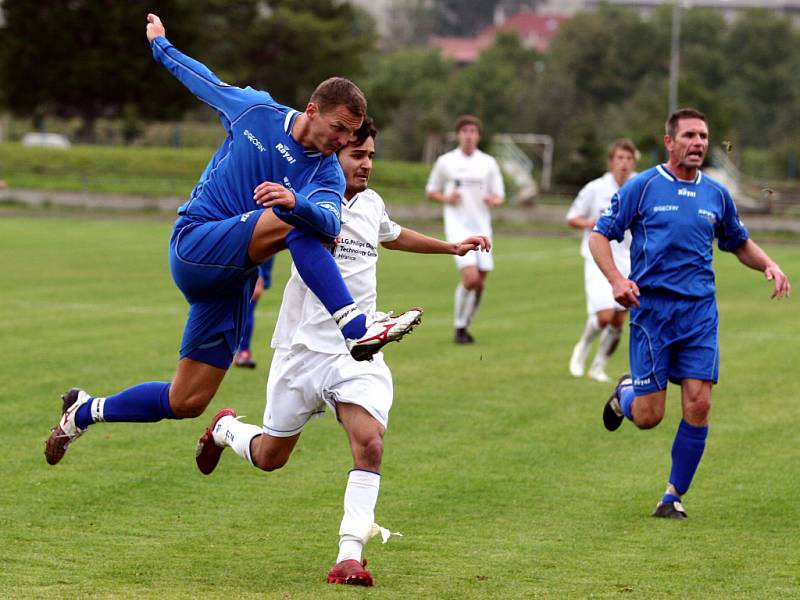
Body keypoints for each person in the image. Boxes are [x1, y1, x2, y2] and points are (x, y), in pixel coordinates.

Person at [44, 14, 422, 466]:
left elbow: (326, 217)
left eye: (351, 136)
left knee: (187, 401)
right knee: (296, 223)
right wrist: (161, 44)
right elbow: (202, 80)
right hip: (195, 244)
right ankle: (356, 328)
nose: (341, 141)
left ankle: (84, 411)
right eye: (338, 129)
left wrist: (295, 203)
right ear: (312, 110)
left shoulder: (323, 170)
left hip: (230, 281)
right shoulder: (257, 111)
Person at [194, 118, 490, 586]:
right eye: (358, 155)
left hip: (359, 349)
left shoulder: (371, 204)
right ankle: (227, 429)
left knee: (370, 444)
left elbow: (392, 234)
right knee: (271, 456)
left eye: (371, 155)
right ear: (334, 155)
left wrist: (451, 247)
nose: (367, 163)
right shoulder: (310, 201)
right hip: (302, 350)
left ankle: (349, 556)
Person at [590, 108, 791, 520]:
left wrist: (769, 264)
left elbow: (738, 242)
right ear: (669, 142)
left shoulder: (715, 194)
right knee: (649, 417)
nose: (698, 143)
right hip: (652, 313)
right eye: (689, 136)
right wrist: (616, 280)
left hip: (699, 314)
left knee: (698, 405)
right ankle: (625, 394)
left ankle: (672, 496)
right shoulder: (643, 187)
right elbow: (599, 236)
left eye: (703, 136)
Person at [426, 115, 504, 344]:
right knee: (470, 278)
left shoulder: (488, 162)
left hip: (482, 225)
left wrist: (492, 199)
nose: (469, 135)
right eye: (465, 131)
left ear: (478, 136)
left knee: (480, 281)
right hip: (457, 225)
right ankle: (459, 327)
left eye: (473, 131)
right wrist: (447, 198)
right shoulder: (445, 161)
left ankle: (465, 325)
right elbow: (431, 191)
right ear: (459, 134)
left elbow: (499, 196)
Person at [566, 139, 638, 383]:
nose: (624, 163)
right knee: (604, 316)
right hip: (598, 258)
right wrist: (594, 223)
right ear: (611, 161)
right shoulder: (595, 188)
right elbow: (572, 217)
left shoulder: (641, 186)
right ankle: (582, 347)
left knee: (619, 319)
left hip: (629, 260)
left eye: (629, 159)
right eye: (620, 158)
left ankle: (598, 366)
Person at [233, 258, 275, 369]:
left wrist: (258, 273)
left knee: (247, 305)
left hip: (256, 259)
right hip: (259, 257)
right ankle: (242, 351)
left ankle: (242, 352)